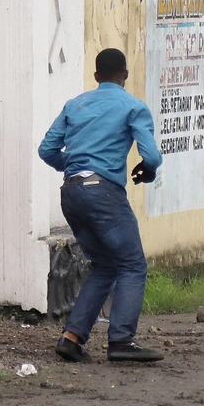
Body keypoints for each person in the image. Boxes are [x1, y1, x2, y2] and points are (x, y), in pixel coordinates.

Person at [38, 48, 164, 363]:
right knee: (133, 265)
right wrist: (146, 169)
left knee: (105, 266)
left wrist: (75, 164)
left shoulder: (75, 105)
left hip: (71, 192)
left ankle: (72, 337)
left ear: (96, 77)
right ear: (125, 74)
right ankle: (121, 340)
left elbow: (47, 148)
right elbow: (151, 156)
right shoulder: (133, 107)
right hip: (103, 194)